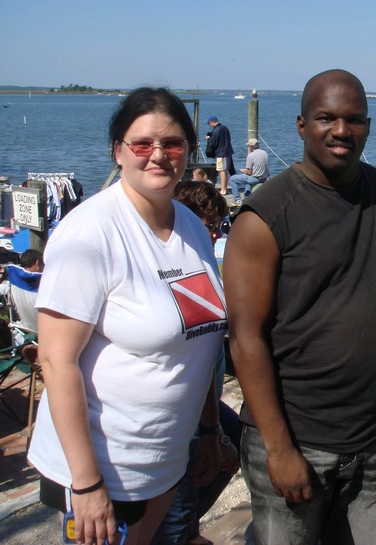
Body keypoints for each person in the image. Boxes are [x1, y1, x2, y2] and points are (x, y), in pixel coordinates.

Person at [27, 87, 228, 545]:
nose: (158, 155)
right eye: (142, 144)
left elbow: (198, 340)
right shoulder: (89, 233)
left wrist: (211, 430)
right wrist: (87, 484)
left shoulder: (192, 226)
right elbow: (57, 362)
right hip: (104, 465)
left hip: (165, 458)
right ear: (118, 151)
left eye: (172, 144)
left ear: (188, 152)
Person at [223, 69, 376, 545]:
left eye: (354, 119)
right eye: (326, 117)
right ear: (301, 125)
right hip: (298, 436)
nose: (341, 130)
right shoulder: (265, 216)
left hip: (374, 436)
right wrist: (279, 448)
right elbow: (245, 338)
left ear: (368, 125)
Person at [152, 180, 239, 545]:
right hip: (177, 411)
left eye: (219, 225)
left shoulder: (203, 260)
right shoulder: (168, 264)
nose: (215, 233)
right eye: (208, 224)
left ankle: (184, 523)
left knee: (236, 441)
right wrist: (207, 430)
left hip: (206, 399)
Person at [6, 248, 43, 331]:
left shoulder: (14, 277)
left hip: (25, 329)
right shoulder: (44, 281)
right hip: (46, 331)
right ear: (38, 263)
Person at [228, 137, 270, 205]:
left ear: (251, 147)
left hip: (255, 178)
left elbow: (249, 172)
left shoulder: (251, 155)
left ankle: (237, 199)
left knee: (233, 179)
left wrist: (243, 171)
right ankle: (247, 198)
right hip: (264, 178)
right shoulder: (265, 153)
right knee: (247, 181)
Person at [206, 115, 235, 195]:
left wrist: (208, 139)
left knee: (221, 170)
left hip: (221, 153)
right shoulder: (225, 128)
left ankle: (223, 189)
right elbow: (229, 139)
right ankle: (224, 188)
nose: (209, 125)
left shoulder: (216, 131)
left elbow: (213, 143)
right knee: (225, 170)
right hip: (228, 151)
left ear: (212, 122)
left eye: (209, 123)